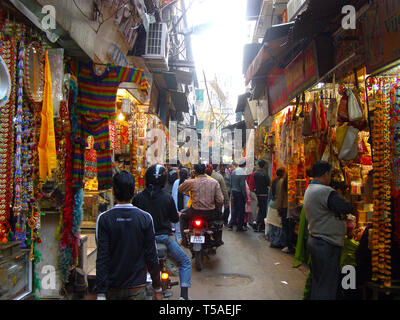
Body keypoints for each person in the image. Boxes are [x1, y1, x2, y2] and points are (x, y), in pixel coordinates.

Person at [95, 171, 162, 300]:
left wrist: (101, 294)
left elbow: (102, 257)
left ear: (113, 192)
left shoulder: (103, 219)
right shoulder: (145, 218)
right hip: (137, 287)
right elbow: (151, 255)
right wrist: (157, 287)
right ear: (134, 191)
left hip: (112, 288)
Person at [132, 165, 192, 300]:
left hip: (143, 242)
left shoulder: (138, 198)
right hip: (163, 239)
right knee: (185, 262)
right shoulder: (167, 198)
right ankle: (184, 296)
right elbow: (174, 218)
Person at [304, 161, 353, 300]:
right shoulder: (324, 191)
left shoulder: (310, 189)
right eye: (331, 174)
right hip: (326, 243)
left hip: (317, 240)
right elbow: (345, 207)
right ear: (325, 174)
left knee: (319, 282)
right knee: (327, 284)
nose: (331, 177)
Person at [178, 163, 224, 248]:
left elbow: (180, 189)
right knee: (219, 221)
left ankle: (184, 240)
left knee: (182, 217)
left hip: (194, 213)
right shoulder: (214, 182)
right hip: (210, 214)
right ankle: (218, 240)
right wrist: (217, 208)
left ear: (194, 172)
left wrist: (191, 178)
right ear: (205, 171)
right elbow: (220, 200)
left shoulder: (191, 182)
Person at [266, 168, 285, 247]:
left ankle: (273, 241)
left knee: (273, 225)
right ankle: (276, 242)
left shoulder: (274, 181)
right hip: (278, 205)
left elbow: (271, 195)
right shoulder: (282, 182)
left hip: (272, 204)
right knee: (278, 226)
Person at [171, 167, 190, 242]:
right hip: (186, 209)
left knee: (177, 226)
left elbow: (173, 195)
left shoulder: (176, 182)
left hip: (176, 208)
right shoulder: (188, 182)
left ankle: (179, 239)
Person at [228, 160, 248, 232]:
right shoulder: (242, 173)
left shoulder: (234, 171)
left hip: (234, 191)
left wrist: (232, 193)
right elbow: (242, 185)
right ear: (245, 165)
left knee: (235, 209)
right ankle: (239, 227)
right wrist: (245, 196)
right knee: (241, 210)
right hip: (240, 193)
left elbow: (231, 183)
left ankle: (230, 225)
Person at [253, 160, 271, 233]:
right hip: (264, 194)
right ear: (264, 165)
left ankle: (257, 223)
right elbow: (269, 183)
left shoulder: (255, 173)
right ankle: (260, 225)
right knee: (263, 210)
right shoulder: (264, 174)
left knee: (260, 208)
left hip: (258, 193)